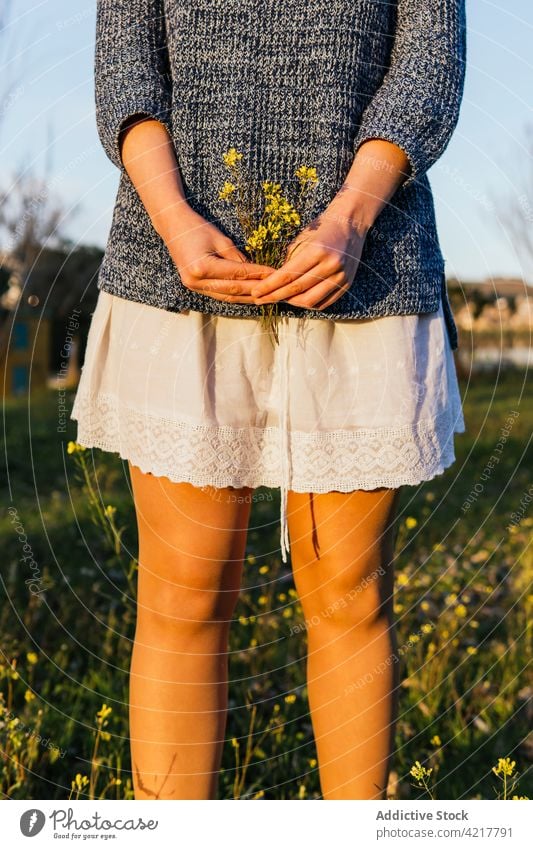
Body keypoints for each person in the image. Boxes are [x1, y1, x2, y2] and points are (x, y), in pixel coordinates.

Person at [71, 0, 467, 799]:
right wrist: (173, 219)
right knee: (182, 594)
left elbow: (428, 64)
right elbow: (125, 68)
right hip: (173, 269)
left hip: (368, 269)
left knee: (349, 593)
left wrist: (351, 217)